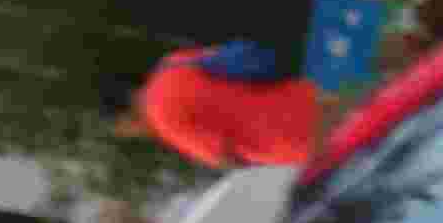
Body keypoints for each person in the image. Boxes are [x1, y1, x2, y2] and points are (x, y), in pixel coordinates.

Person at [128, 37, 334, 170]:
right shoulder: (171, 63)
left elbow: (222, 155)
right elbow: (236, 58)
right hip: (306, 96)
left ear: (123, 122)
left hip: (295, 139)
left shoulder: (161, 117)